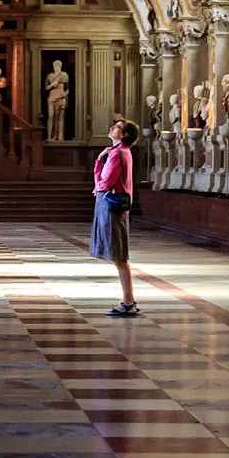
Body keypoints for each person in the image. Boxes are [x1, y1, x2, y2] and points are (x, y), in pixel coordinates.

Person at [93, 119, 140, 317]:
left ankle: (128, 303)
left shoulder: (117, 154)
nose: (112, 127)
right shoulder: (123, 153)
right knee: (119, 256)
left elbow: (105, 182)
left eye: (117, 127)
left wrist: (98, 163)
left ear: (125, 135)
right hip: (118, 206)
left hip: (111, 207)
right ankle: (129, 301)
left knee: (119, 257)